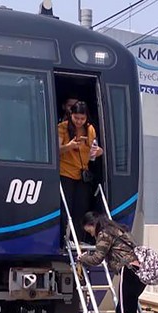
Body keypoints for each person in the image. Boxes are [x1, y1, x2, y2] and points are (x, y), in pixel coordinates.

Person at [58, 101, 103, 244]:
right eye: (76, 118)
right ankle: (63, 239)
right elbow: (55, 150)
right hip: (65, 172)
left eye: (82, 119)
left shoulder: (90, 129)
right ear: (71, 115)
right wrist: (69, 146)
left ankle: (77, 239)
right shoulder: (62, 127)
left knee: (81, 209)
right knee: (66, 208)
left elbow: (94, 152)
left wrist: (98, 151)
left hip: (82, 174)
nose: (79, 121)